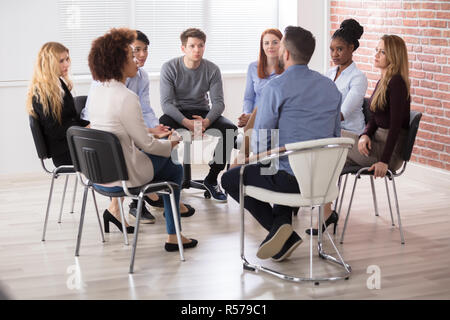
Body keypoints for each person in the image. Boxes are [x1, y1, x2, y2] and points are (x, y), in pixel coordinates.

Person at [221, 26, 342, 262]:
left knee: (230, 177)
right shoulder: (330, 87)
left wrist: (249, 160)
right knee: (280, 167)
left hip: (291, 182)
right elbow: (335, 135)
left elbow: (260, 140)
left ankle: (282, 233)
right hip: (324, 181)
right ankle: (282, 227)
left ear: (285, 53)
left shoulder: (275, 87)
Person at [87, 28, 197, 251]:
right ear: (118, 62)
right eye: (131, 56)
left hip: (98, 175)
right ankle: (174, 236)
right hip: (124, 176)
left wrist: (152, 133)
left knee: (163, 159)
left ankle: (152, 207)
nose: (136, 60)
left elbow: (121, 131)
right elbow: (148, 145)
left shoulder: (99, 92)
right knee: (174, 168)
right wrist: (172, 142)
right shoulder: (126, 97)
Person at [309, 34, 411, 236]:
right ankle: (326, 212)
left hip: (387, 152)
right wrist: (365, 135)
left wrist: (384, 161)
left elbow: (396, 126)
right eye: (377, 50)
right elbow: (374, 117)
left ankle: (321, 208)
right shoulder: (385, 80)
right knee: (330, 158)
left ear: (394, 56)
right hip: (375, 142)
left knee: (332, 137)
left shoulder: (397, 83)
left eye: (382, 51)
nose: (377, 55)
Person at [159, 28, 238, 202]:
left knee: (230, 130)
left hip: (202, 113)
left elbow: (218, 103)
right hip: (177, 113)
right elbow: (166, 104)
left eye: (200, 45)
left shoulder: (212, 69)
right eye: (192, 46)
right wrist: (186, 123)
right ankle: (166, 182)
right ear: (183, 48)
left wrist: (206, 121)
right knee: (162, 127)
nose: (197, 50)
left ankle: (211, 179)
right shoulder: (169, 67)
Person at [26, 42, 90, 167]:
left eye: (67, 59)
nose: (67, 64)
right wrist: (85, 129)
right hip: (65, 153)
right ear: (49, 63)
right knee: (113, 152)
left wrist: (88, 125)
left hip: (72, 144)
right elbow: (56, 130)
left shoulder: (58, 83)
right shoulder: (42, 92)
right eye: (61, 61)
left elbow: (71, 119)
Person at [326, 19, 367, 135]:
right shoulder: (329, 74)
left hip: (350, 135)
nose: (334, 54)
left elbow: (342, 114)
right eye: (332, 49)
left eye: (339, 49)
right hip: (331, 131)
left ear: (351, 48)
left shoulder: (358, 78)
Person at [238, 28, 284, 128]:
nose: (270, 46)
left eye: (275, 42)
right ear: (262, 46)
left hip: (277, 118)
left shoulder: (287, 68)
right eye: (266, 43)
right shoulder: (253, 67)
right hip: (254, 117)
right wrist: (246, 114)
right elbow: (248, 98)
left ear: (282, 45)